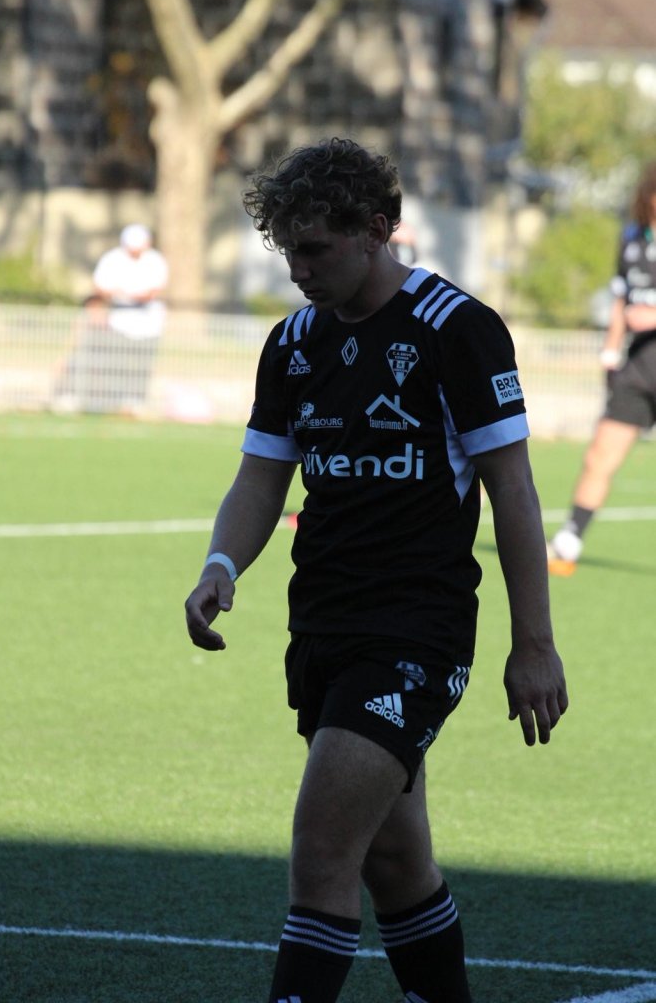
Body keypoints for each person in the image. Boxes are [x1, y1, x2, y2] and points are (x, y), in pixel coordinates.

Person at [185, 137, 568, 1003]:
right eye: (288, 252)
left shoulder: (457, 329)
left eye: (315, 250)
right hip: (322, 626)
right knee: (394, 860)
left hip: (415, 634)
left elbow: (512, 490)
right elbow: (261, 477)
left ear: (376, 231)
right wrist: (221, 564)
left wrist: (534, 644)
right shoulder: (292, 343)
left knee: (323, 850)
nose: (299, 272)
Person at [548, 161, 656, 575]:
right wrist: (610, 355)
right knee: (600, 455)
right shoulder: (631, 239)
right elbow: (620, 301)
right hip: (639, 370)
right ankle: (569, 539)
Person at [53, 224, 168, 414]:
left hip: (148, 325)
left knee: (140, 366)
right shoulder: (113, 259)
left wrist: (126, 294)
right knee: (114, 364)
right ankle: (108, 402)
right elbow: (100, 287)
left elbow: (152, 292)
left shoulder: (156, 261)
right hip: (117, 322)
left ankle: (135, 404)